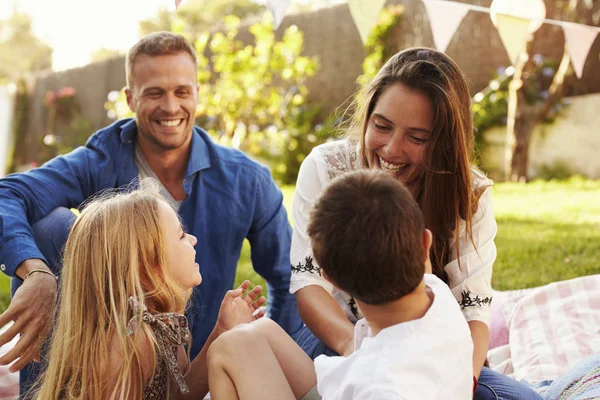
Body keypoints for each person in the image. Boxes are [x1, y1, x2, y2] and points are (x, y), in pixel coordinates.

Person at [0, 31, 302, 394]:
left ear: (197, 94)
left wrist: (261, 352)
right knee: (51, 227)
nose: (171, 107)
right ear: (130, 98)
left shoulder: (246, 180)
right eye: (155, 92)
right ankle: (47, 390)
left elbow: (287, 281)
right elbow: (8, 194)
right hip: (114, 348)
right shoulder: (100, 160)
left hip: (200, 361)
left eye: (182, 91)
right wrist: (35, 272)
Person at [289, 48, 542, 399]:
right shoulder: (325, 168)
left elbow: (474, 310)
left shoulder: (470, 194)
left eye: (417, 138)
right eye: (381, 126)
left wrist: (462, 385)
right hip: (341, 336)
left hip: (431, 355)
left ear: (443, 142)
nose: (392, 149)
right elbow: (307, 281)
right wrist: (361, 351)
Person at [207, 169, 475, 399]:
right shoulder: (437, 293)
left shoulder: (375, 384)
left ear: (330, 279)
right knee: (260, 329)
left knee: (228, 347)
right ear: (425, 244)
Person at [31, 184, 266, 399]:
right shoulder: (129, 344)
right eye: (181, 235)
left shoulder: (162, 325)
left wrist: (221, 332)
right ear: (147, 267)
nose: (193, 240)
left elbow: (180, 394)